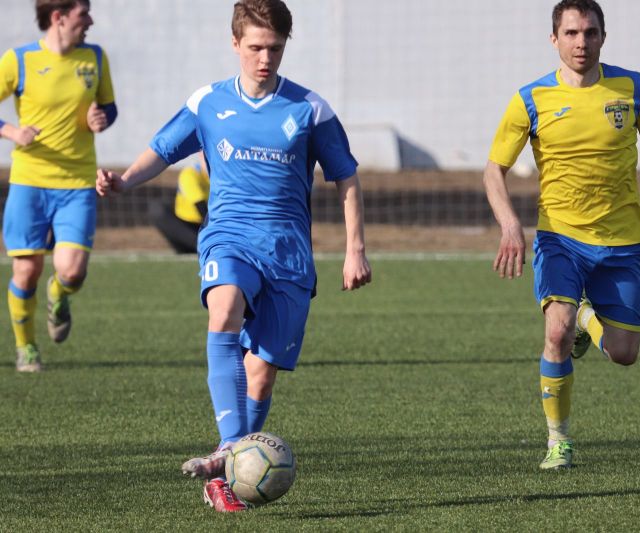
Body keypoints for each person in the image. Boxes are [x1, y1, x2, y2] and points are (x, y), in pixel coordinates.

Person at [96, 0, 371, 512]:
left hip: (288, 252)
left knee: (261, 374)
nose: (265, 59)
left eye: (275, 49)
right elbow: (164, 148)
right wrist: (124, 180)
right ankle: (229, 449)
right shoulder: (208, 102)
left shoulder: (310, 109)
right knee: (224, 308)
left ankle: (230, 472)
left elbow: (346, 177)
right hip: (229, 236)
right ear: (235, 44)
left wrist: (354, 249)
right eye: (256, 48)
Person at [484, 0, 640, 471]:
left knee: (624, 354)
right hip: (560, 237)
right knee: (555, 332)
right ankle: (558, 441)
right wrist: (510, 224)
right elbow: (494, 169)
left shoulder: (632, 88)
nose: (582, 42)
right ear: (554, 39)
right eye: (572, 33)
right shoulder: (531, 99)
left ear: (603, 36)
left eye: (590, 33)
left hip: (621, 240)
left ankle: (584, 318)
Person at [0, 0, 116, 372]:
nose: (90, 20)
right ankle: (26, 347)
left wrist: (101, 118)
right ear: (59, 17)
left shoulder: (95, 58)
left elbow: (109, 107)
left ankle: (58, 292)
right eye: (84, 13)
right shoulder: (19, 60)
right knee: (25, 271)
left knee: (72, 272)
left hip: (77, 183)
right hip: (29, 182)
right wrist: (12, 131)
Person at [152, 152, 209, 254]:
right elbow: (201, 208)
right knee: (157, 209)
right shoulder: (190, 174)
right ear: (200, 156)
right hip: (189, 225)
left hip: (208, 226)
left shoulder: (223, 176)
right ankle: (199, 245)